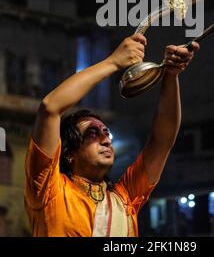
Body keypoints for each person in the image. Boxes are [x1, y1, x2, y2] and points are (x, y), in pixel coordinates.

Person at [24, 33, 199, 237]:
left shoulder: (125, 198)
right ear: (69, 153)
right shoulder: (49, 189)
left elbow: (162, 141)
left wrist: (171, 75)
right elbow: (50, 107)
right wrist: (113, 62)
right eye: (92, 133)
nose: (106, 139)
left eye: (106, 133)